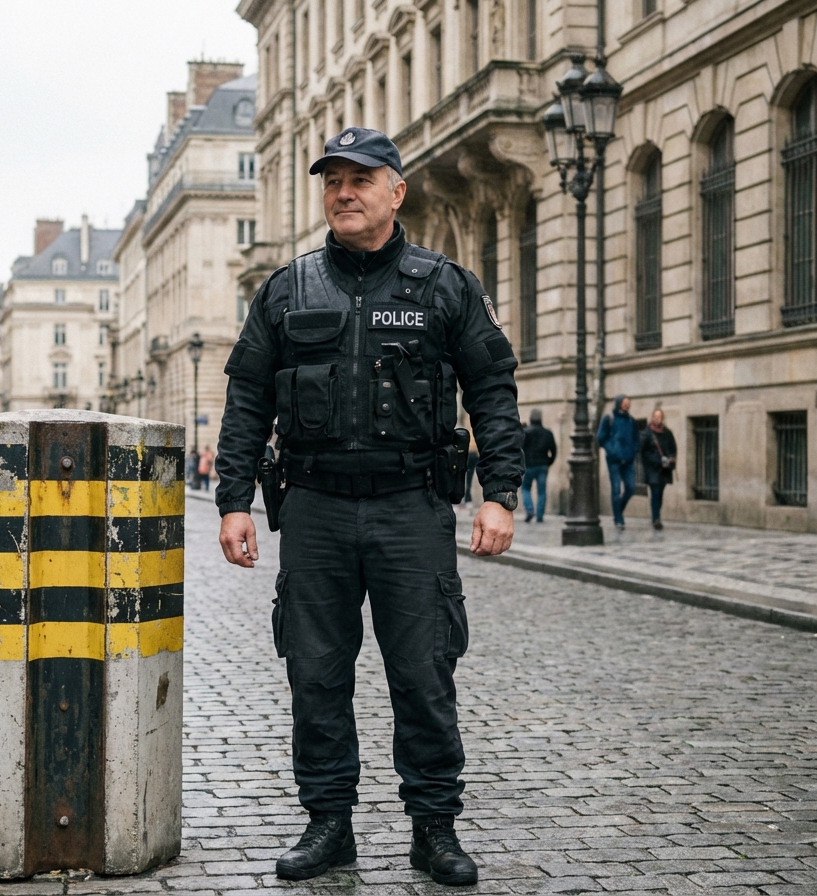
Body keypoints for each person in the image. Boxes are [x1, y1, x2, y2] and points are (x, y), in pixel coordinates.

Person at [214, 128, 523, 887]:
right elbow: (248, 397)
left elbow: (492, 388)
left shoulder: (445, 285)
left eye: (360, 178)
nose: (344, 192)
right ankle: (328, 824)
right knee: (316, 673)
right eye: (332, 182)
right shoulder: (288, 289)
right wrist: (234, 501)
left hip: (410, 509)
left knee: (423, 671)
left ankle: (434, 829)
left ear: (397, 191)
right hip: (315, 509)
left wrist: (501, 493)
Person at [597, 394, 639, 530]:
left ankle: (618, 511)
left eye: (628, 402)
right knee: (616, 489)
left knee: (631, 488)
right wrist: (612, 450)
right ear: (618, 403)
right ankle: (619, 519)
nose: (627, 405)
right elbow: (600, 438)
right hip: (614, 460)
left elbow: (636, 439)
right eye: (624, 402)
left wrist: (633, 451)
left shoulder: (632, 421)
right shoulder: (609, 418)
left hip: (628, 460)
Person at [639, 408, 677, 530]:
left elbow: (673, 448)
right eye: (656, 416)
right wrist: (655, 460)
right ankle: (656, 519)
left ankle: (656, 515)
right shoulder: (647, 433)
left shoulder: (667, 433)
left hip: (664, 469)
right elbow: (642, 451)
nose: (658, 418)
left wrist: (671, 458)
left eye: (660, 416)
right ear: (652, 417)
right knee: (655, 492)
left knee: (660, 494)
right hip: (652, 469)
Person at [521, 409, 557, 523]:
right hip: (542, 465)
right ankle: (540, 515)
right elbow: (554, 450)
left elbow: (520, 449)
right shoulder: (547, 433)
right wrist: (548, 462)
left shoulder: (526, 432)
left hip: (528, 465)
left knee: (525, 489)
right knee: (542, 491)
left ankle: (530, 510)